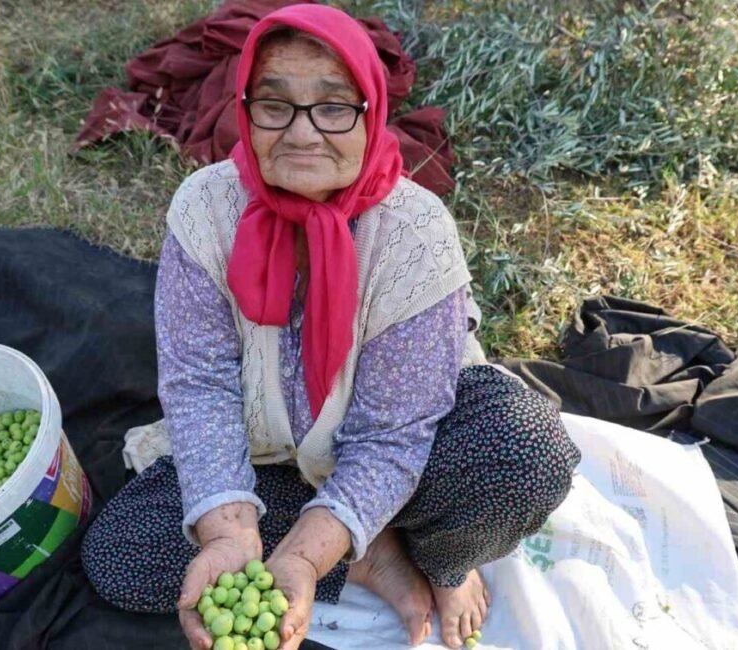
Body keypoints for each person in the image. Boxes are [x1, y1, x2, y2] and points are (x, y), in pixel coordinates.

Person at [81, 5, 580, 650]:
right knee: (119, 560)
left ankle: (435, 555)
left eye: (334, 107)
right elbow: (200, 385)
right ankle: (367, 554)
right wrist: (230, 533)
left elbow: (393, 436)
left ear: (371, 113)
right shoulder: (206, 208)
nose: (302, 134)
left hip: (403, 450)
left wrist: (307, 556)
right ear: (246, 109)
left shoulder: (414, 234)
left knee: (524, 454)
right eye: (275, 105)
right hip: (265, 452)